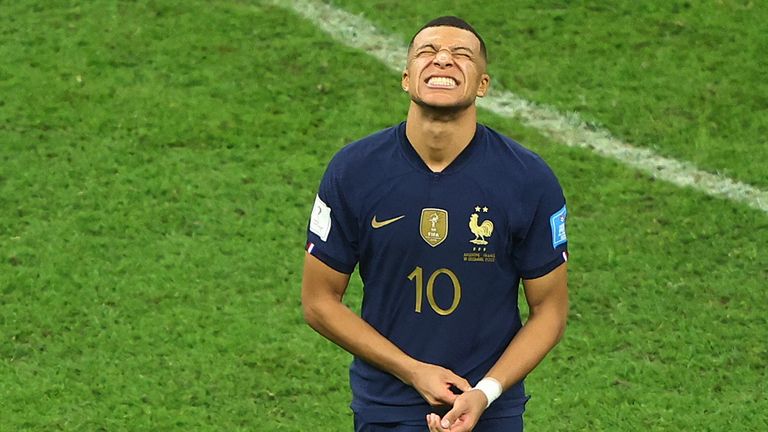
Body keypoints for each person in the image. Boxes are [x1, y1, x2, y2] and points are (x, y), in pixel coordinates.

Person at [301, 16, 569, 432]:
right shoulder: (353, 171)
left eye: (462, 55)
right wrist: (411, 370)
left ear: (483, 85)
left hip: (490, 413)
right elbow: (319, 302)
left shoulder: (528, 180)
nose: (443, 59)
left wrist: (486, 391)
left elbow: (549, 309)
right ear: (407, 78)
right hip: (386, 408)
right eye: (428, 52)